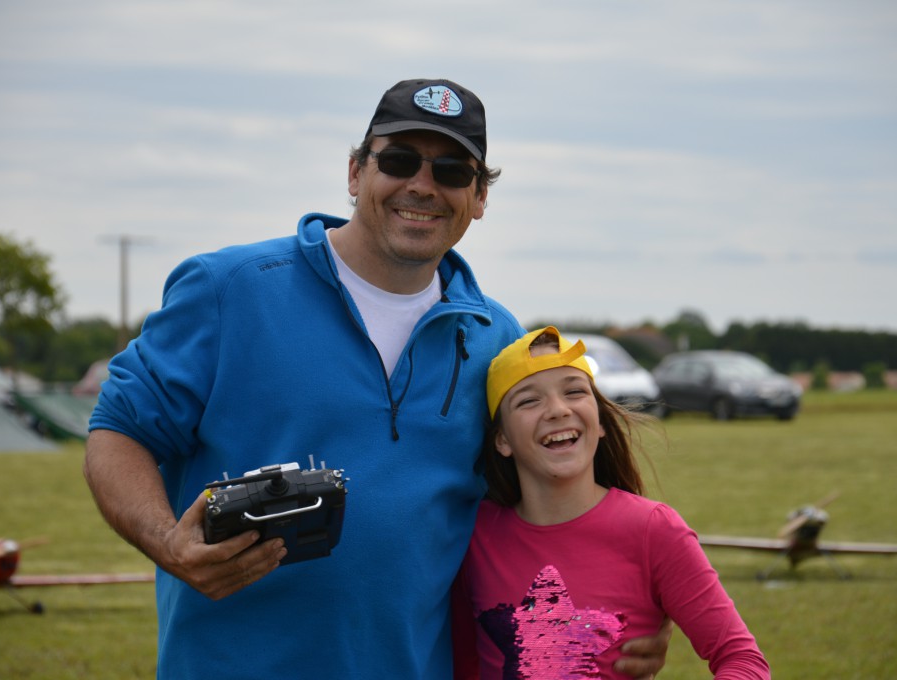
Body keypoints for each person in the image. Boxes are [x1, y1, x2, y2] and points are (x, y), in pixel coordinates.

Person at [84, 79, 671, 678]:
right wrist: (166, 543)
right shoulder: (229, 289)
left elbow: (539, 512)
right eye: (397, 160)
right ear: (355, 172)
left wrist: (619, 611)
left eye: (451, 169)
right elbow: (116, 432)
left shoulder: (495, 336)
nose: (422, 184)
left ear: (479, 197)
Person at [451, 327, 771, 678]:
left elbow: (742, 660)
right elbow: (463, 664)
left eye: (574, 391)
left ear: (600, 421)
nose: (558, 410)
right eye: (529, 400)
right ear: (502, 440)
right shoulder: (474, 535)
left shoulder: (654, 530)